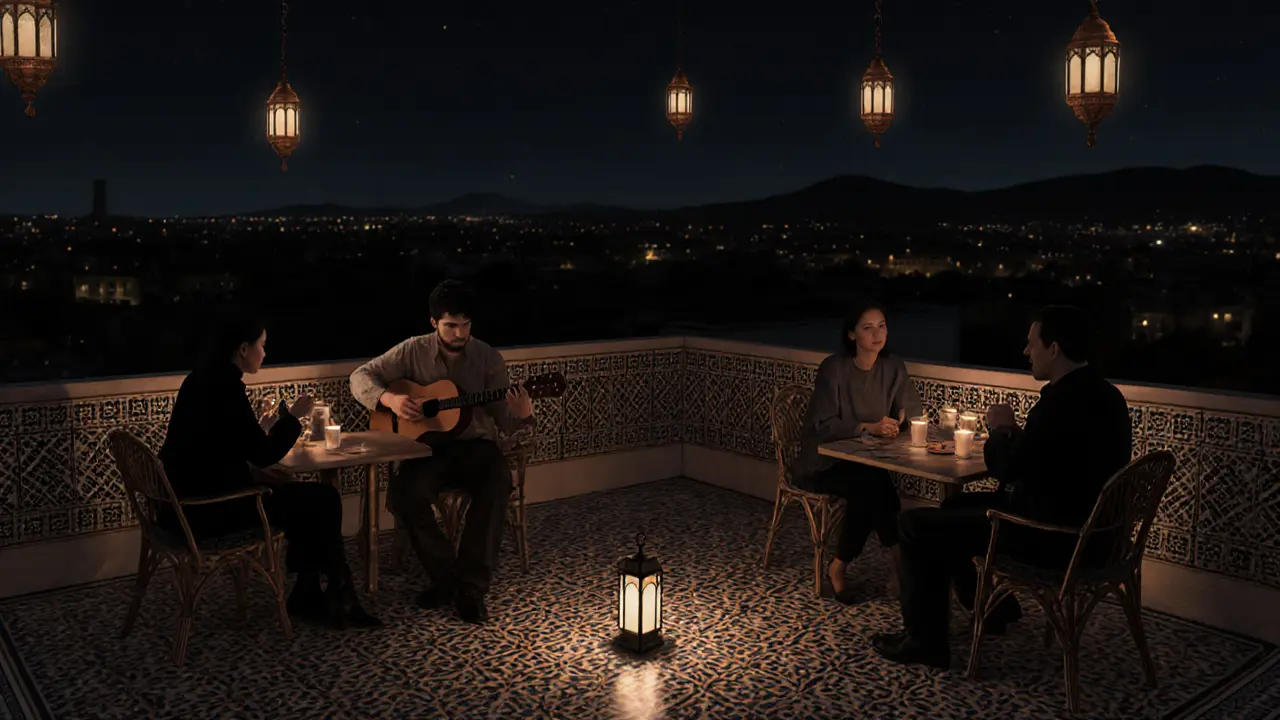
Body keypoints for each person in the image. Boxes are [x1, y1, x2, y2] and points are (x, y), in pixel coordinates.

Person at [872, 305, 1132, 668]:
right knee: (951, 508)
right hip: (1098, 536)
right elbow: (1052, 458)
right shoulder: (1108, 397)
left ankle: (925, 641)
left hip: (1052, 537)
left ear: (1054, 349)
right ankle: (993, 609)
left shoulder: (1059, 403)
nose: (1026, 352)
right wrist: (1016, 437)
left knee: (913, 525)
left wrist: (999, 429)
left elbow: (1007, 469)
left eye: (1032, 344)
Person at [159, 311, 381, 629]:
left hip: (182, 504)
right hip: (210, 511)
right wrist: (293, 416)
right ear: (243, 349)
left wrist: (263, 438)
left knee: (307, 499)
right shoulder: (226, 389)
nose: (265, 353)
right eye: (262, 345)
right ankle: (335, 594)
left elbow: (226, 444)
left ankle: (311, 591)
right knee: (324, 500)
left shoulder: (199, 379)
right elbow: (264, 454)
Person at [349, 280, 534, 624]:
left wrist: (523, 414)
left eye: (465, 325)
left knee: (497, 481)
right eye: (451, 325)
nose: (459, 333)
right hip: (427, 450)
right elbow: (360, 376)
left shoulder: (488, 358)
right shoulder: (411, 351)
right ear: (434, 323)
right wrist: (390, 399)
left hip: (476, 448)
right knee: (405, 494)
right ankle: (448, 576)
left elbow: (505, 423)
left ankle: (472, 586)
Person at [796, 302, 922, 602]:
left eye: (882, 325)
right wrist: (866, 427)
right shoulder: (834, 368)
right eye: (868, 327)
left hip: (866, 462)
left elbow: (913, 412)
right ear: (852, 334)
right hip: (824, 462)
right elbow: (822, 425)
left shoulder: (893, 367)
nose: (878, 333)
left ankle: (839, 566)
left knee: (870, 485)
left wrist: (900, 423)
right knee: (874, 486)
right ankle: (898, 563)